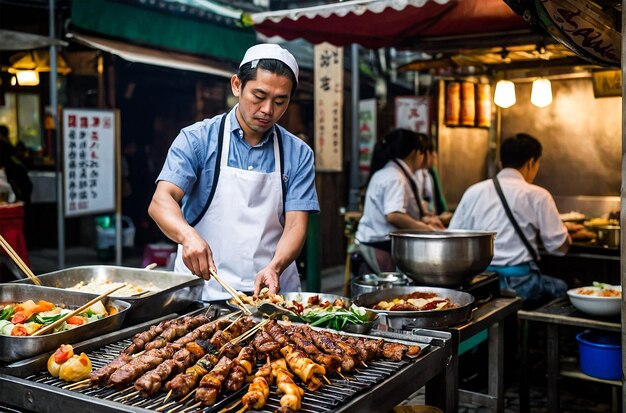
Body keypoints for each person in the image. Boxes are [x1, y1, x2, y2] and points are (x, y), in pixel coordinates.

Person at [149, 44, 319, 300]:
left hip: (271, 296)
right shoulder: (197, 140)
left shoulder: (299, 153)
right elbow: (161, 201)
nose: (267, 110)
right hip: (204, 292)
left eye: (280, 101)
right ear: (237, 85)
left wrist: (275, 266)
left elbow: (296, 225)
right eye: (259, 96)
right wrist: (187, 236)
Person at [448, 133, 572, 306]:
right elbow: (559, 247)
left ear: (501, 163)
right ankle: (535, 332)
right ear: (531, 163)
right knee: (562, 287)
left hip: (481, 282)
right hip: (522, 284)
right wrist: (567, 233)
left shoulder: (474, 191)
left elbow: (453, 237)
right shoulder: (538, 195)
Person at [352, 129, 444, 275]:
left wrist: (425, 220)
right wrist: (426, 229)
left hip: (375, 244)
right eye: (422, 153)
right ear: (415, 153)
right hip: (379, 246)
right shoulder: (395, 177)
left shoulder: (391, 172)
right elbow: (394, 215)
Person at [0, 125, 32, 205]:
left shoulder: (3, 146)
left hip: (14, 181)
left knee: (14, 204)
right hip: (21, 180)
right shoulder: (8, 146)